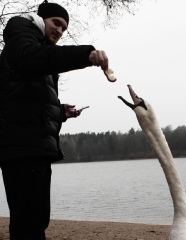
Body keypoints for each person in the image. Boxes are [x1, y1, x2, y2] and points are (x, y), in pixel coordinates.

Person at [0, 1, 109, 239]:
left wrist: (61, 113)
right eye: (56, 23)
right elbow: (32, 59)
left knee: (36, 220)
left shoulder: (35, 50)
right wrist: (86, 54)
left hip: (32, 147)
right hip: (22, 149)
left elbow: (23, 101)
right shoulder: (22, 34)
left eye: (64, 28)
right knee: (29, 224)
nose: (59, 31)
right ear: (41, 20)